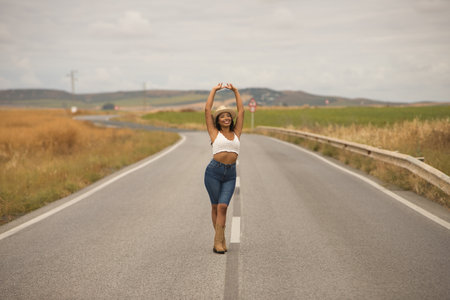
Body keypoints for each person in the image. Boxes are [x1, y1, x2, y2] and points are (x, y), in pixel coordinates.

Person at [204, 83, 244, 254]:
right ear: (218, 120)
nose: (226, 118)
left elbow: (241, 111)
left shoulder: (236, 132)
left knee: (223, 207)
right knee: (215, 207)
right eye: (222, 116)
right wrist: (214, 90)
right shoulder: (214, 132)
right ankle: (219, 241)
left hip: (230, 174)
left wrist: (235, 91)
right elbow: (207, 109)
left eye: (228, 116)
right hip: (213, 172)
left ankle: (218, 241)